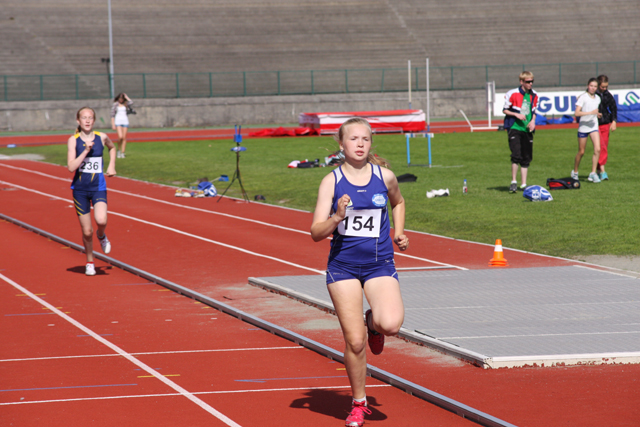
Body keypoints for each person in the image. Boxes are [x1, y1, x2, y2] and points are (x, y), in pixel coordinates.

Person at [310, 118, 409, 427]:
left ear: (371, 143)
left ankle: (373, 324)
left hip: (379, 264)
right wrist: (337, 217)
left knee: (390, 324)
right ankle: (359, 403)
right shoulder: (331, 182)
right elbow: (315, 232)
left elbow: (399, 202)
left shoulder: (385, 177)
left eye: (365, 139)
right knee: (354, 342)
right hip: (343, 267)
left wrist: (399, 232)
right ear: (342, 145)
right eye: (353, 139)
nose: (360, 144)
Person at [67, 107, 117, 276]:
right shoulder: (73, 140)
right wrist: (86, 151)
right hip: (80, 190)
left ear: (94, 121)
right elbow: (71, 167)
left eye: (90, 118)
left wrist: (111, 165)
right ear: (78, 121)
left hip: (98, 188)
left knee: (101, 220)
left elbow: (112, 148)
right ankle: (90, 261)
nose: (87, 120)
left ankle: (101, 235)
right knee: (87, 231)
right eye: (84, 118)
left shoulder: (101, 137)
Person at [503, 71, 538, 193]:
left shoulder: (534, 95)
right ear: (521, 82)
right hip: (515, 127)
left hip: (527, 129)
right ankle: (513, 182)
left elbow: (534, 111)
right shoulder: (512, 93)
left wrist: (533, 122)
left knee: (526, 157)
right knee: (516, 154)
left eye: (532, 81)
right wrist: (516, 115)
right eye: (528, 82)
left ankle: (523, 184)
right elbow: (505, 110)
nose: (530, 84)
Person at [572, 78, 602, 183]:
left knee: (597, 149)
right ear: (588, 86)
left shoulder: (598, 98)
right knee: (581, 152)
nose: (593, 88)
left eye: (595, 86)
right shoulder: (583, 97)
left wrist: (597, 114)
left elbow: (594, 111)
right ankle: (575, 172)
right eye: (591, 86)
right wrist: (591, 112)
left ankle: (593, 173)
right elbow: (577, 113)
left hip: (593, 126)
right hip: (583, 127)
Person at [596, 75, 617, 180]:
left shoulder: (608, 95)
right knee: (601, 147)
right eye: (602, 87)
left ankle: (597, 170)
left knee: (603, 147)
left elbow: (613, 108)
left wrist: (614, 121)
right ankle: (603, 171)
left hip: (605, 124)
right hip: (594, 124)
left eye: (606, 87)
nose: (604, 89)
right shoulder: (592, 94)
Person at [110, 92, 133, 158]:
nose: (121, 100)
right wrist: (113, 124)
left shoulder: (126, 104)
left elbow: (131, 102)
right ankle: (119, 150)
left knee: (124, 137)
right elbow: (112, 115)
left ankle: (123, 152)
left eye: (122, 98)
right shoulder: (115, 104)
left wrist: (126, 97)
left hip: (125, 121)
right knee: (120, 137)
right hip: (118, 121)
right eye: (120, 98)